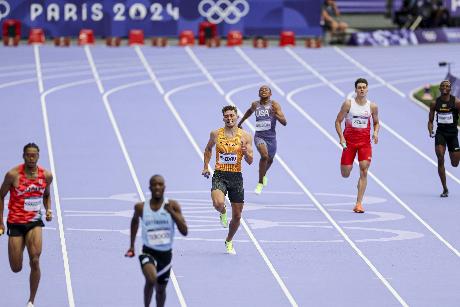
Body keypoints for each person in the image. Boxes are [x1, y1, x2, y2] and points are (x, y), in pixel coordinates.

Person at [0, 143, 53, 307]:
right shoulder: (12, 175)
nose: (31, 157)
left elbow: (46, 195)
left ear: (38, 156)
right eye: (28, 155)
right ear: (23, 156)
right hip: (15, 222)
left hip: (34, 221)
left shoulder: (46, 176)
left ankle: (31, 301)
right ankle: (20, 243)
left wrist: (48, 209)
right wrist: (0, 221)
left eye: (34, 155)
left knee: (35, 260)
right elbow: (0, 196)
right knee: (16, 267)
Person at [125, 175, 187, 307]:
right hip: (148, 252)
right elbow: (134, 221)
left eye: (160, 184)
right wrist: (131, 246)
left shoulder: (173, 206)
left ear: (164, 187)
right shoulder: (141, 207)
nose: (157, 187)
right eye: (154, 184)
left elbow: (184, 231)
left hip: (165, 255)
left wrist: (171, 212)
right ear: (150, 187)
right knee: (152, 280)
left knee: (160, 290)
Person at [202, 105, 253, 254]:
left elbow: (250, 161)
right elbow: (208, 149)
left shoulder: (245, 136)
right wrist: (206, 166)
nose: (229, 118)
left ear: (236, 117)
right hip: (220, 174)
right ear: (223, 117)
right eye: (227, 116)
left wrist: (246, 153)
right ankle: (223, 211)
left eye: (232, 115)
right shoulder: (215, 134)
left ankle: (229, 240)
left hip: (236, 177)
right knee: (218, 202)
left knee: (237, 216)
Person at [335, 78, 379, 213]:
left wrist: (376, 133)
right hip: (349, 144)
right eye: (359, 87)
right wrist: (341, 137)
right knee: (345, 173)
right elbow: (337, 121)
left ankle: (358, 203)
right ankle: (352, 170)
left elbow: (376, 122)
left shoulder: (372, 106)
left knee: (364, 170)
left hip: (364, 143)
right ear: (355, 90)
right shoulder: (348, 104)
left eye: (364, 87)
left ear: (367, 89)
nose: (361, 89)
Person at [238, 85, 287, 194]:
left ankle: (263, 174)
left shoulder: (274, 105)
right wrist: (240, 122)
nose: (263, 91)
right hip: (259, 136)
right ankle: (260, 183)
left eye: (266, 90)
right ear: (259, 94)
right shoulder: (255, 105)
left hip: (272, 138)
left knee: (270, 160)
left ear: (270, 94)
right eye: (261, 90)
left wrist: (275, 115)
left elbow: (284, 122)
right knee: (264, 156)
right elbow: (249, 112)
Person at [428, 80, 460, 197]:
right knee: (440, 157)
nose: (444, 88)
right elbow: (430, 120)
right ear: (440, 89)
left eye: (447, 86)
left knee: (455, 163)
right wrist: (430, 129)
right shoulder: (435, 103)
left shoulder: (456, 102)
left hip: (452, 134)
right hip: (440, 133)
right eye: (442, 86)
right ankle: (445, 188)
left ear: (450, 89)